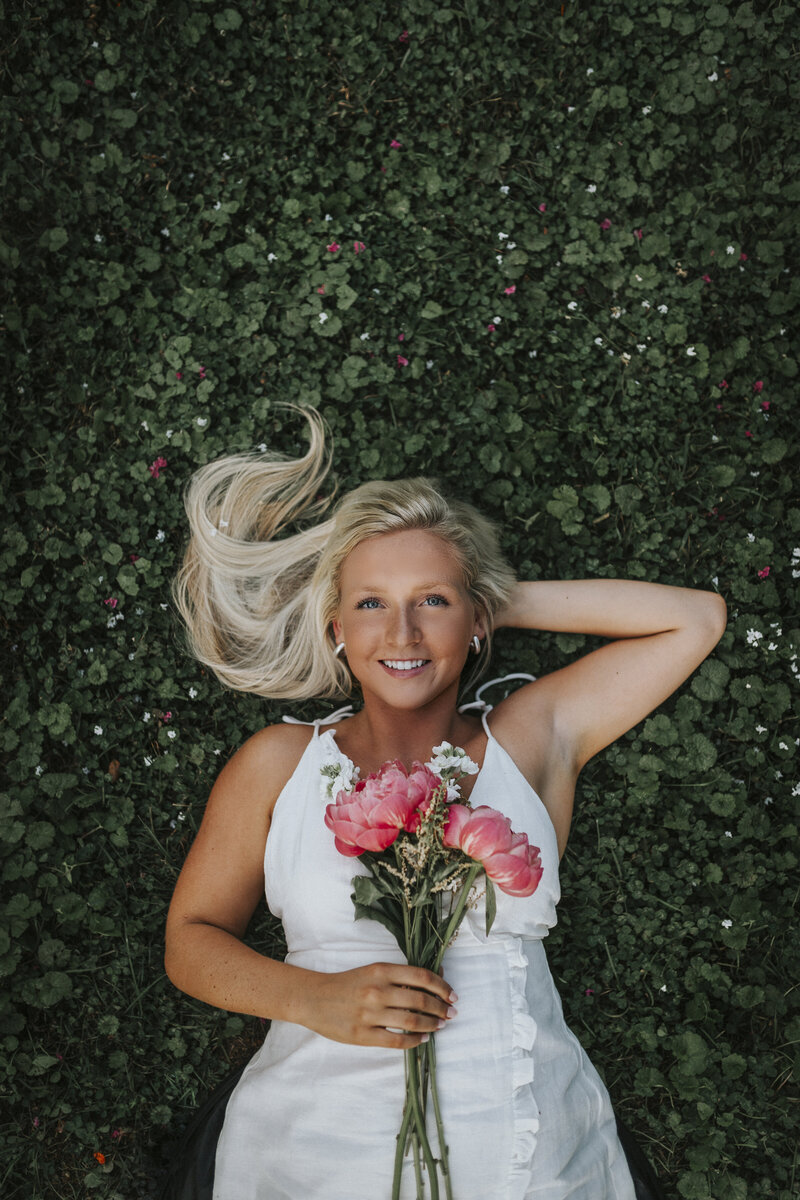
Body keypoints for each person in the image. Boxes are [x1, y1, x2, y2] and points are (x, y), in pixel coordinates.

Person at [163, 405, 726, 1200]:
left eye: (431, 602)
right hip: (314, 1147)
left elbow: (694, 619)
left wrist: (485, 591)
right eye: (370, 604)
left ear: (476, 620)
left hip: (531, 1152)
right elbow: (190, 941)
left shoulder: (530, 740)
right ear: (334, 629)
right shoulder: (279, 763)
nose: (403, 632)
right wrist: (312, 997)